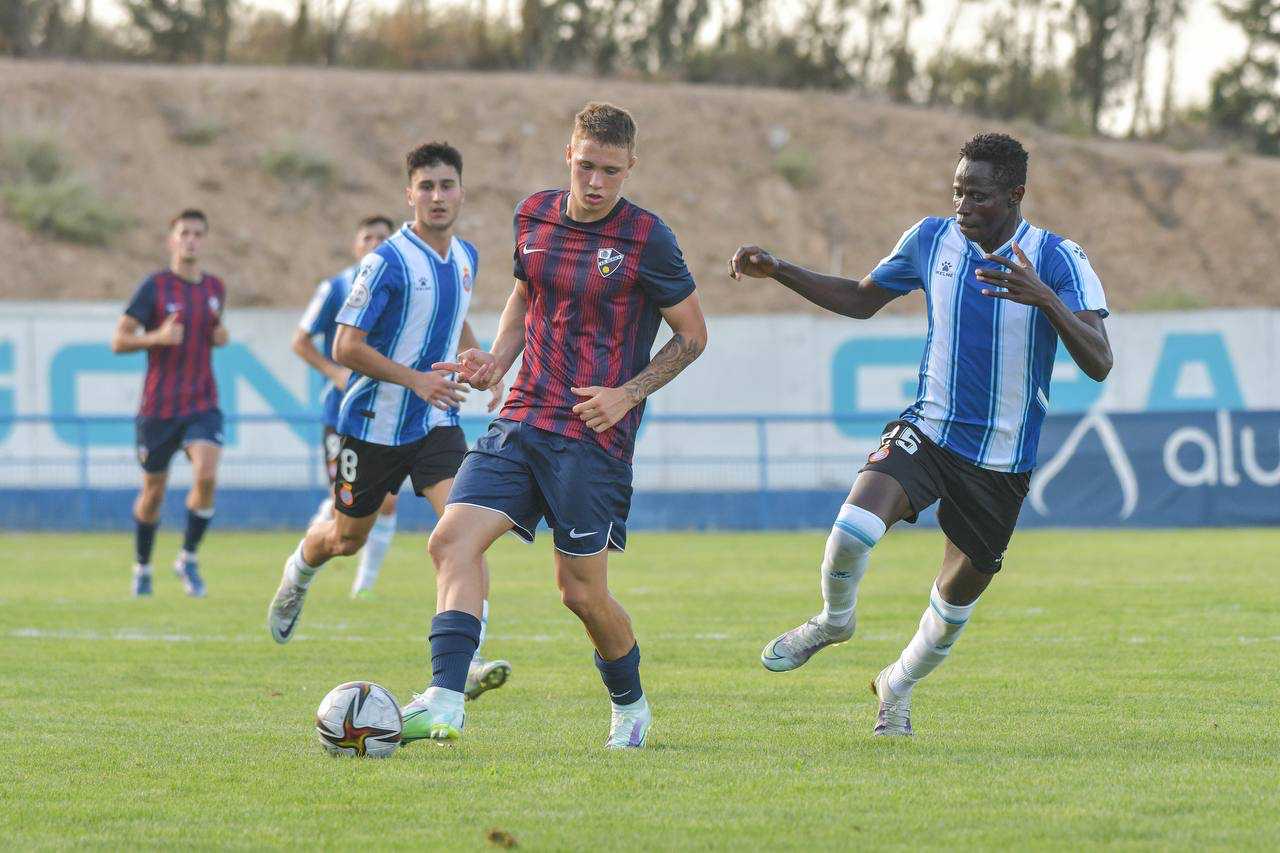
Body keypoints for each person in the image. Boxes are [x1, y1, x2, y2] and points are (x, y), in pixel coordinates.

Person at [729, 132, 1113, 736]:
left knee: (953, 609)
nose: (963, 206)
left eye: (979, 196)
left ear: (1015, 194)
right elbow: (861, 299)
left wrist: (1045, 300)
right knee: (853, 529)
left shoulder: (1059, 259)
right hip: (930, 431)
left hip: (1002, 462)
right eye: (958, 191)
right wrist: (779, 270)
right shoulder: (931, 239)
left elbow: (1100, 361)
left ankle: (896, 686)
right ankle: (834, 620)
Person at [403, 102, 708, 749]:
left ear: (630, 167)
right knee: (450, 541)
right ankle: (445, 700)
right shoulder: (533, 215)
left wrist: (628, 394)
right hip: (522, 417)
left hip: (592, 440)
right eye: (587, 166)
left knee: (580, 593)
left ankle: (630, 706)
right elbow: (525, 294)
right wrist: (497, 359)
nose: (596, 182)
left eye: (611, 171)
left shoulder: (647, 238)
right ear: (569, 154)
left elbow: (692, 335)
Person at [267, 142, 510, 702]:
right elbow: (345, 346)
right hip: (372, 423)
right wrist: (415, 379)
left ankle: (466, 658)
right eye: (426, 186)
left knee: (464, 532)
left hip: (436, 422)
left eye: (447, 185)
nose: (437, 196)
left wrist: (483, 363)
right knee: (345, 539)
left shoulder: (467, 257)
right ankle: (298, 572)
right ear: (409, 195)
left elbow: (455, 318)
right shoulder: (387, 262)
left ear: (461, 192)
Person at [112, 209, 230, 598]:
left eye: (198, 233)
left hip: (202, 402)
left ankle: (188, 558)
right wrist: (156, 338)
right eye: (184, 233)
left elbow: (214, 330)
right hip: (158, 408)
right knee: (153, 494)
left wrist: (220, 335)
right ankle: (143, 566)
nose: (191, 239)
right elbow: (119, 340)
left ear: (204, 240)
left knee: (206, 475)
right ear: (172, 240)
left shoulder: (215, 288)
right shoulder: (155, 287)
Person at [293, 214, 399, 599]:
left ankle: (364, 587)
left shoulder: (400, 286)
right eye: (367, 237)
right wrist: (335, 372)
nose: (374, 244)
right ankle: (303, 559)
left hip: (386, 413)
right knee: (345, 506)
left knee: (387, 501)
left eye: (382, 237)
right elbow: (300, 341)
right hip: (342, 414)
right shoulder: (336, 287)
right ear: (356, 245)